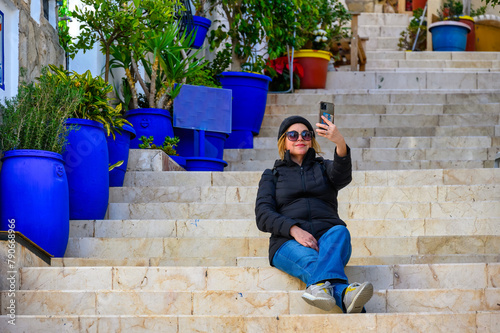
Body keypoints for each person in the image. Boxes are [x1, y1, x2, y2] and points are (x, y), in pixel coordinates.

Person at [255, 115, 373, 313]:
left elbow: (342, 176)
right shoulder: (272, 175)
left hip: (328, 240)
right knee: (311, 261)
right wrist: (293, 230)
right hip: (287, 243)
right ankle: (345, 294)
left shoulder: (324, 167)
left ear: (312, 140)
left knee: (340, 231)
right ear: (284, 143)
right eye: (292, 135)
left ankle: (320, 288)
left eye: (306, 134)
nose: (300, 138)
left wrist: (340, 142)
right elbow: (263, 214)